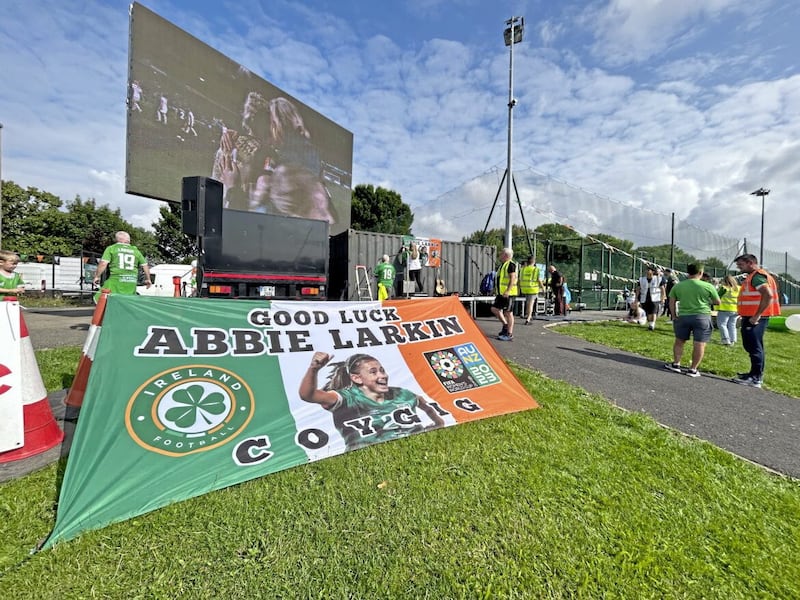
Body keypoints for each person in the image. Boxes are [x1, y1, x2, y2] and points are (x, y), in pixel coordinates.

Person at [298, 352, 445, 450]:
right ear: (357, 378)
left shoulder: (402, 393)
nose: (382, 375)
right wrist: (314, 369)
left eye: (382, 370)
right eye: (373, 372)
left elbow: (423, 404)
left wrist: (438, 423)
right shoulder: (347, 398)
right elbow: (308, 395)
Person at [731, 254, 780, 388]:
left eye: (741, 264)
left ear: (750, 263)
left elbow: (768, 295)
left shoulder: (757, 277)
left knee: (754, 346)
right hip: (752, 316)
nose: (739, 267)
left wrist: (757, 315)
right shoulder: (756, 276)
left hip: (755, 318)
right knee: (754, 346)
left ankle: (756, 378)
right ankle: (753, 373)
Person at [664, 264, 720, 377]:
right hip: (702, 316)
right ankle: (693, 369)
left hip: (684, 316)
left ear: (687, 273)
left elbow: (671, 301)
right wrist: (705, 301)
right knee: (699, 343)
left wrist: (674, 315)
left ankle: (676, 364)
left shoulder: (678, 286)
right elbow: (717, 302)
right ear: (700, 272)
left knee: (679, 341)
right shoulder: (708, 286)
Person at [92, 231, 152, 301]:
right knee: (126, 303)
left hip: (115, 282)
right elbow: (145, 265)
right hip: (131, 283)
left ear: (117, 239)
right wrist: (148, 279)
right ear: (128, 240)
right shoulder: (136, 251)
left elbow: (103, 263)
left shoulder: (112, 248)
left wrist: (97, 276)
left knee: (100, 299)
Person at [492, 248, 518, 341]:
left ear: (506, 255)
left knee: (508, 312)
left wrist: (508, 290)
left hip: (508, 294)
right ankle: (505, 325)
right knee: (494, 309)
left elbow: (512, 278)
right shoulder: (502, 265)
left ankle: (509, 333)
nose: (499, 255)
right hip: (501, 293)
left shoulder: (510, 265)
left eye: (501, 253)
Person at [635, 265, 666, 331]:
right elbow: (638, 289)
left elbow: (662, 289)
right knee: (648, 312)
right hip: (645, 297)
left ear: (652, 271)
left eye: (649, 270)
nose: (647, 271)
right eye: (646, 270)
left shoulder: (658, 279)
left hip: (655, 298)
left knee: (653, 311)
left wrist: (663, 298)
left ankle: (652, 324)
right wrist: (636, 297)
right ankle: (650, 324)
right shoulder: (641, 279)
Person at [716, 274, 740, 346]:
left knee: (722, 325)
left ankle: (726, 340)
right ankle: (733, 340)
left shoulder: (724, 288)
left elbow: (717, 296)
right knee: (732, 325)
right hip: (736, 309)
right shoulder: (739, 288)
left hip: (725, 309)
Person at [519, 256, 542, 325]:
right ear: (534, 261)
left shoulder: (522, 269)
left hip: (524, 288)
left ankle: (528, 315)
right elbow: (538, 280)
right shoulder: (536, 270)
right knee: (530, 304)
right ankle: (528, 318)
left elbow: (520, 279)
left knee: (528, 303)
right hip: (532, 289)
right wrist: (543, 287)